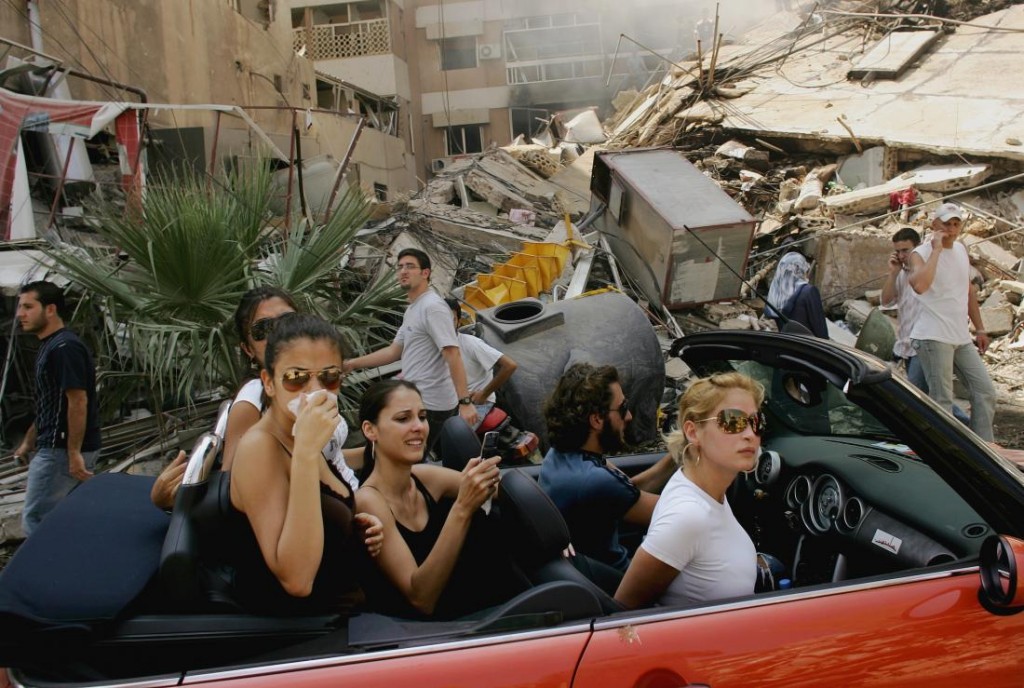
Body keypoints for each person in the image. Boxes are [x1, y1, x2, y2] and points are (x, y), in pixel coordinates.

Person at [226, 313, 382, 614]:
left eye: (329, 377)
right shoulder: (261, 447)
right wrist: (307, 453)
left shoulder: (300, 434)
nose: (314, 391)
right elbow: (297, 580)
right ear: (269, 383)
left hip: (355, 599)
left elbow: (309, 509)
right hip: (316, 629)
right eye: (296, 378)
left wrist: (352, 527)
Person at [149, 287, 358, 509]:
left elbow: (329, 457)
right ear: (248, 349)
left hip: (349, 498)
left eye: (288, 319)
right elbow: (234, 486)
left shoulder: (313, 383)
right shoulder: (252, 399)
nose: (279, 331)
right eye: (263, 328)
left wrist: (375, 450)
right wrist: (176, 501)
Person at [355, 380, 526, 619]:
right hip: (438, 637)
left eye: (422, 417)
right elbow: (420, 598)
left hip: (493, 609)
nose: (419, 427)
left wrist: (545, 526)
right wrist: (463, 508)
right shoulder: (369, 501)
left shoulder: (426, 478)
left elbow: (509, 494)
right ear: (370, 430)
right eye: (403, 419)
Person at [614, 372, 763, 609]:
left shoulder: (696, 485)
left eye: (755, 422)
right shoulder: (689, 517)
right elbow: (622, 614)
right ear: (693, 432)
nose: (750, 434)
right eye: (733, 421)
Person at [538, 363, 676, 578]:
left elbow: (628, 492)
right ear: (596, 419)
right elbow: (678, 516)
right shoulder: (592, 481)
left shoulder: (561, 454)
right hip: (622, 585)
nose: (628, 416)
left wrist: (675, 457)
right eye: (622, 407)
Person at [345, 249, 477, 458]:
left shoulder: (433, 307)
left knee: (408, 459)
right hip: (416, 398)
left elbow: (452, 353)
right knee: (397, 455)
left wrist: (466, 402)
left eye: (410, 266)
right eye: (400, 267)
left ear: (425, 273)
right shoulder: (413, 309)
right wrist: (352, 364)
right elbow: (394, 351)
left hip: (432, 404)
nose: (403, 271)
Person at [14, 281, 102, 538]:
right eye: (21, 307)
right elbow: (49, 403)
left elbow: (77, 400)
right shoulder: (51, 346)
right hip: (55, 447)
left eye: (28, 307)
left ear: (50, 309)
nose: (21, 314)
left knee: (36, 519)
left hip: (60, 450)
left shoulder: (65, 348)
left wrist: (73, 452)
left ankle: (39, 574)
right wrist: (28, 442)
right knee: (61, 519)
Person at [908, 203, 996, 441]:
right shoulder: (921, 253)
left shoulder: (960, 250)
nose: (952, 228)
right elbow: (920, 285)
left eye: (956, 223)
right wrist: (936, 250)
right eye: (946, 223)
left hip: (959, 335)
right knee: (942, 400)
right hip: (933, 335)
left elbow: (968, 291)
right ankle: (946, 454)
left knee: (984, 391)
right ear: (934, 225)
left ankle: (984, 450)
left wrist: (980, 328)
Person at [881, 227, 970, 425]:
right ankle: (963, 424)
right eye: (899, 251)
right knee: (928, 394)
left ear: (917, 248)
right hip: (908, 345)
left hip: (927, 340)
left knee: (918, 394)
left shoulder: (927, 271)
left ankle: (960, 427)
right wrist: (892, 273)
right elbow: (886, 301)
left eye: (906, 250)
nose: (902, 256)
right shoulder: (902, 274)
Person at [443, 297, 518, 428]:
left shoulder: (471, 344)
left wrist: (484, 394)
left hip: (475, 404)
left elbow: (510, 365)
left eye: (451, 319)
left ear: (458, 322)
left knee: (454, 435)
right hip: (450, 403)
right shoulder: (431, 347)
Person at [766, 252, 828, 338]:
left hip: (787, 345)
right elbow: (820, 329)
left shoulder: (774, 294)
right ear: (799, 269)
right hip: (809, 347)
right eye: (805, 270)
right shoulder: (809, 291)